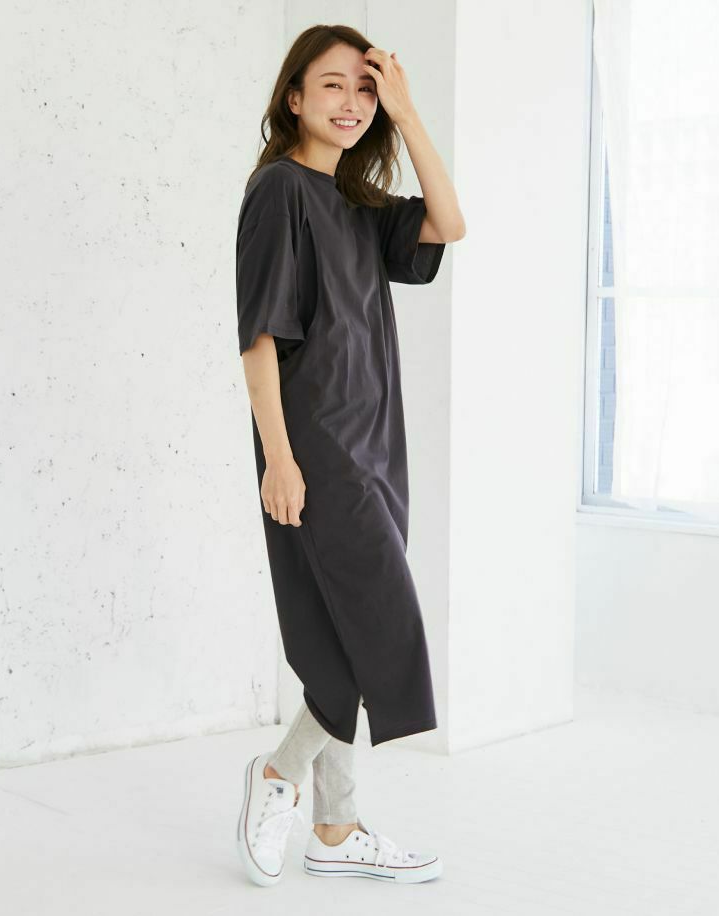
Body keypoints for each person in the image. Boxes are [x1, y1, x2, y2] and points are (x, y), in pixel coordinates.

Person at [234, 24, 465, 886]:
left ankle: (334, 830)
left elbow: (449, 222)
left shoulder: (362, 207)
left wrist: (407, 113)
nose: (351, 102)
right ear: (294, 96)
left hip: (378, 445)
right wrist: (278, 457)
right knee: (379, 633)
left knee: (343, 638)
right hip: (317, 448)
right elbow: (259, 337)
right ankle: (279, 774)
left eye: (364, 89)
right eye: (332, 84)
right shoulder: (278, 192)